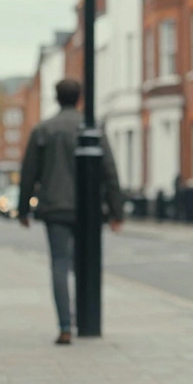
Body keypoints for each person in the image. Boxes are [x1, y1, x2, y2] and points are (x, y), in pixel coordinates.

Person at [18, 78, 124, 345]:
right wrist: (116, 211)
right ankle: (84, 317)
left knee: (59, 263)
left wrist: (23, 210)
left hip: (54, 207)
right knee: (84, 264)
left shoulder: (43, 129)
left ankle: (65, 325)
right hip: (87, 211)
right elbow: (109, 171)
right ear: (79, 99)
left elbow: (29, 172)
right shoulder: (93, 128)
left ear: (56, 98)